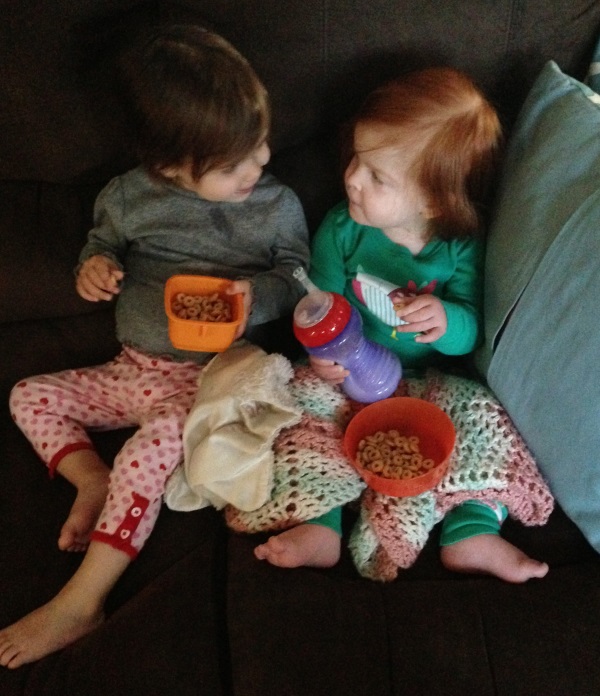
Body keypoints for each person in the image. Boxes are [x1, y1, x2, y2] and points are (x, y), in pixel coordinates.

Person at [0, 25, 309, 669]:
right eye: (232, 164)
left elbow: (296, 277)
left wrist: (257, 295)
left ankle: (82, 599)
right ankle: (91, 479)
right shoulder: (128, 198)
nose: (258, 164)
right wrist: (94, 268)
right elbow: (100, 246)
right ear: (170, 167)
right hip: (131, 368)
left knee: (146, 455)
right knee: (28, 395)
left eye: (260, 143)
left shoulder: (276, 206)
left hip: (211, 379)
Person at [254, 66, 549, 583]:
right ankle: (320, 525)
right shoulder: (341, 231)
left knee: (487, 425)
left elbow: (470, 332)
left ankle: (472, 531)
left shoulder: (458, 248)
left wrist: (446, 320)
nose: (352, 178)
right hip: (348, 380)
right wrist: (323, 356)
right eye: (356, 159)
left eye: (377, 176)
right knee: (296, 412)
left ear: (434, 200)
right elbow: (319, 307)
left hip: (430, 385)